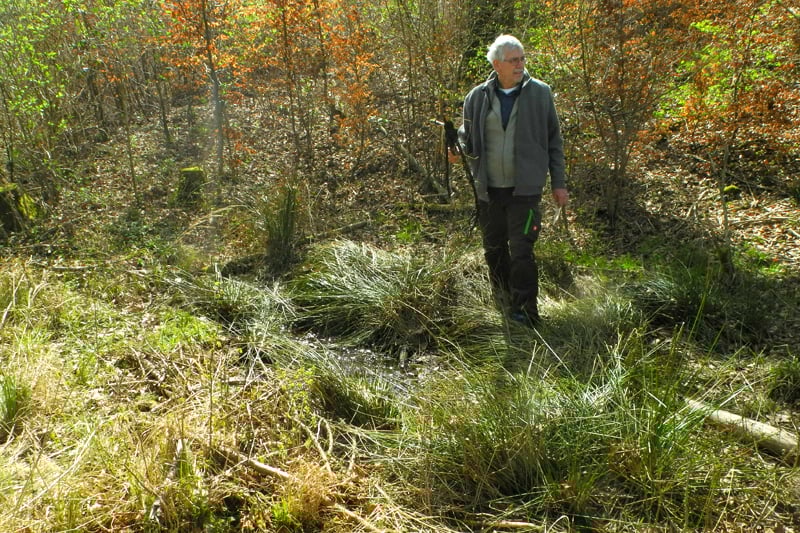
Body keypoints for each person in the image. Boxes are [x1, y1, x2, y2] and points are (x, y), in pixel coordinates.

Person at [451, 34, 568, 327]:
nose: (520, 65)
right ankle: (502, 301)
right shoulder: (476, 97)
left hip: (525, 191)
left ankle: (526, 312)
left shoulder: (540, 93)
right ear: (496, 64)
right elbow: (467, 137)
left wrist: (558, 183)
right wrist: (456, 149)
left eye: (522, 59)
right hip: (488, 190)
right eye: (513, 60)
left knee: (522, 251)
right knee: (494, 250)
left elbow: (554, 140)